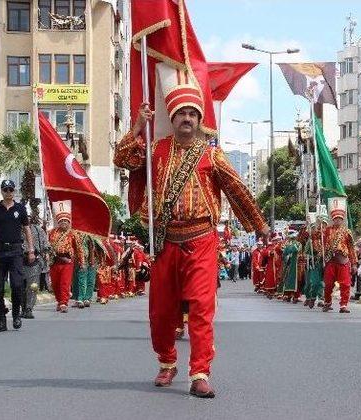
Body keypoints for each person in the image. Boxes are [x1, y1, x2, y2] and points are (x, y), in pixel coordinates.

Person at [113, 73, 268, 398]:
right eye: (181, 113)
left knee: (200, 307)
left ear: (198, 120)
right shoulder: (156, 150)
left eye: (192, 113)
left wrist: (259, 225)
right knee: (161, 310)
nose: (186, 118)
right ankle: (167, 362)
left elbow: (237, 189)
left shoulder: (211, 155)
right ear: (173, 118)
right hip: (166, 240)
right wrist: (139, 125)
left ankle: (199, 371)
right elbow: (122, 159)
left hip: (201, 239)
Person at [0, 180, 35, 332]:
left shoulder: (20, 208)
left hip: (16, 252)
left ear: (14, 191)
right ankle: (1, 320)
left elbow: (27, 229)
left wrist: (31, 250)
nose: (8, 192)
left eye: (11, 189)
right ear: (2, 191)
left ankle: (16, 314)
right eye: (5, 190)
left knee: (17, 285)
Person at [322, 208, 357, 313]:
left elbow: (351, 248)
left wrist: (354, 263)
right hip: (330, 260)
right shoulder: (327, 230)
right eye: (336, 218)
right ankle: (327, 302)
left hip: (343, 260)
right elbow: (317, 237)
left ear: (342, 220)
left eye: (340, 218)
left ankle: (343, 305)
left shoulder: (347, 232)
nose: (337, 220)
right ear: (333, 219)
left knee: (345, 284)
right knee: (328, 284)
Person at [48, 200, 79, 313]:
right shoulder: (51, 233)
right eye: (62, 221)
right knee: (55, 284)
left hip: (67, 262)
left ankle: (63, 303)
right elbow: (47, 246)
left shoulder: (73, 234)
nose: (64, 223)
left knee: (64, 283)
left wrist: (81, 261)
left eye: (66, 221)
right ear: (58, 222)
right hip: (54, 261)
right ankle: (59, 300)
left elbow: (78, 248)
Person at [21, 211, 50, 319]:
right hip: (18, 260)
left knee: (32, 286)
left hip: (33, 261)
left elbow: (45, 243)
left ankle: (29, 308)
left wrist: (46, 253)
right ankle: (22, 307)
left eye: (28, 217)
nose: (26, 218)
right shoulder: (16, 229)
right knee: (19, 286)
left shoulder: (38, 230)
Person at [280, 231, 301, 303]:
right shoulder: (287, 244)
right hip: (289, 264)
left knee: (297, 281)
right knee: (287, 279)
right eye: (292, 238)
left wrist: (290, 247)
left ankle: (296, 296)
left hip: (296, 264)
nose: (293, 239)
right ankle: (288, 295)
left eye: (293, 238)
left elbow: (297, 250)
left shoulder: (298, 244)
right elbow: (284, 253)